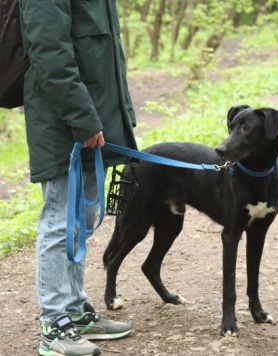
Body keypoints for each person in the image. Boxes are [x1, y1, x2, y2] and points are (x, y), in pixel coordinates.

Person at [19, 1, 138, 355]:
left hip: (90, 121)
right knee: (61, 220)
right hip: (62, 122)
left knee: (82, 218)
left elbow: (106, 54)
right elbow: (49, 51)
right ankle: (53, 324)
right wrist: (81, 117)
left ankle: (74, 311)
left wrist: (121, 114)